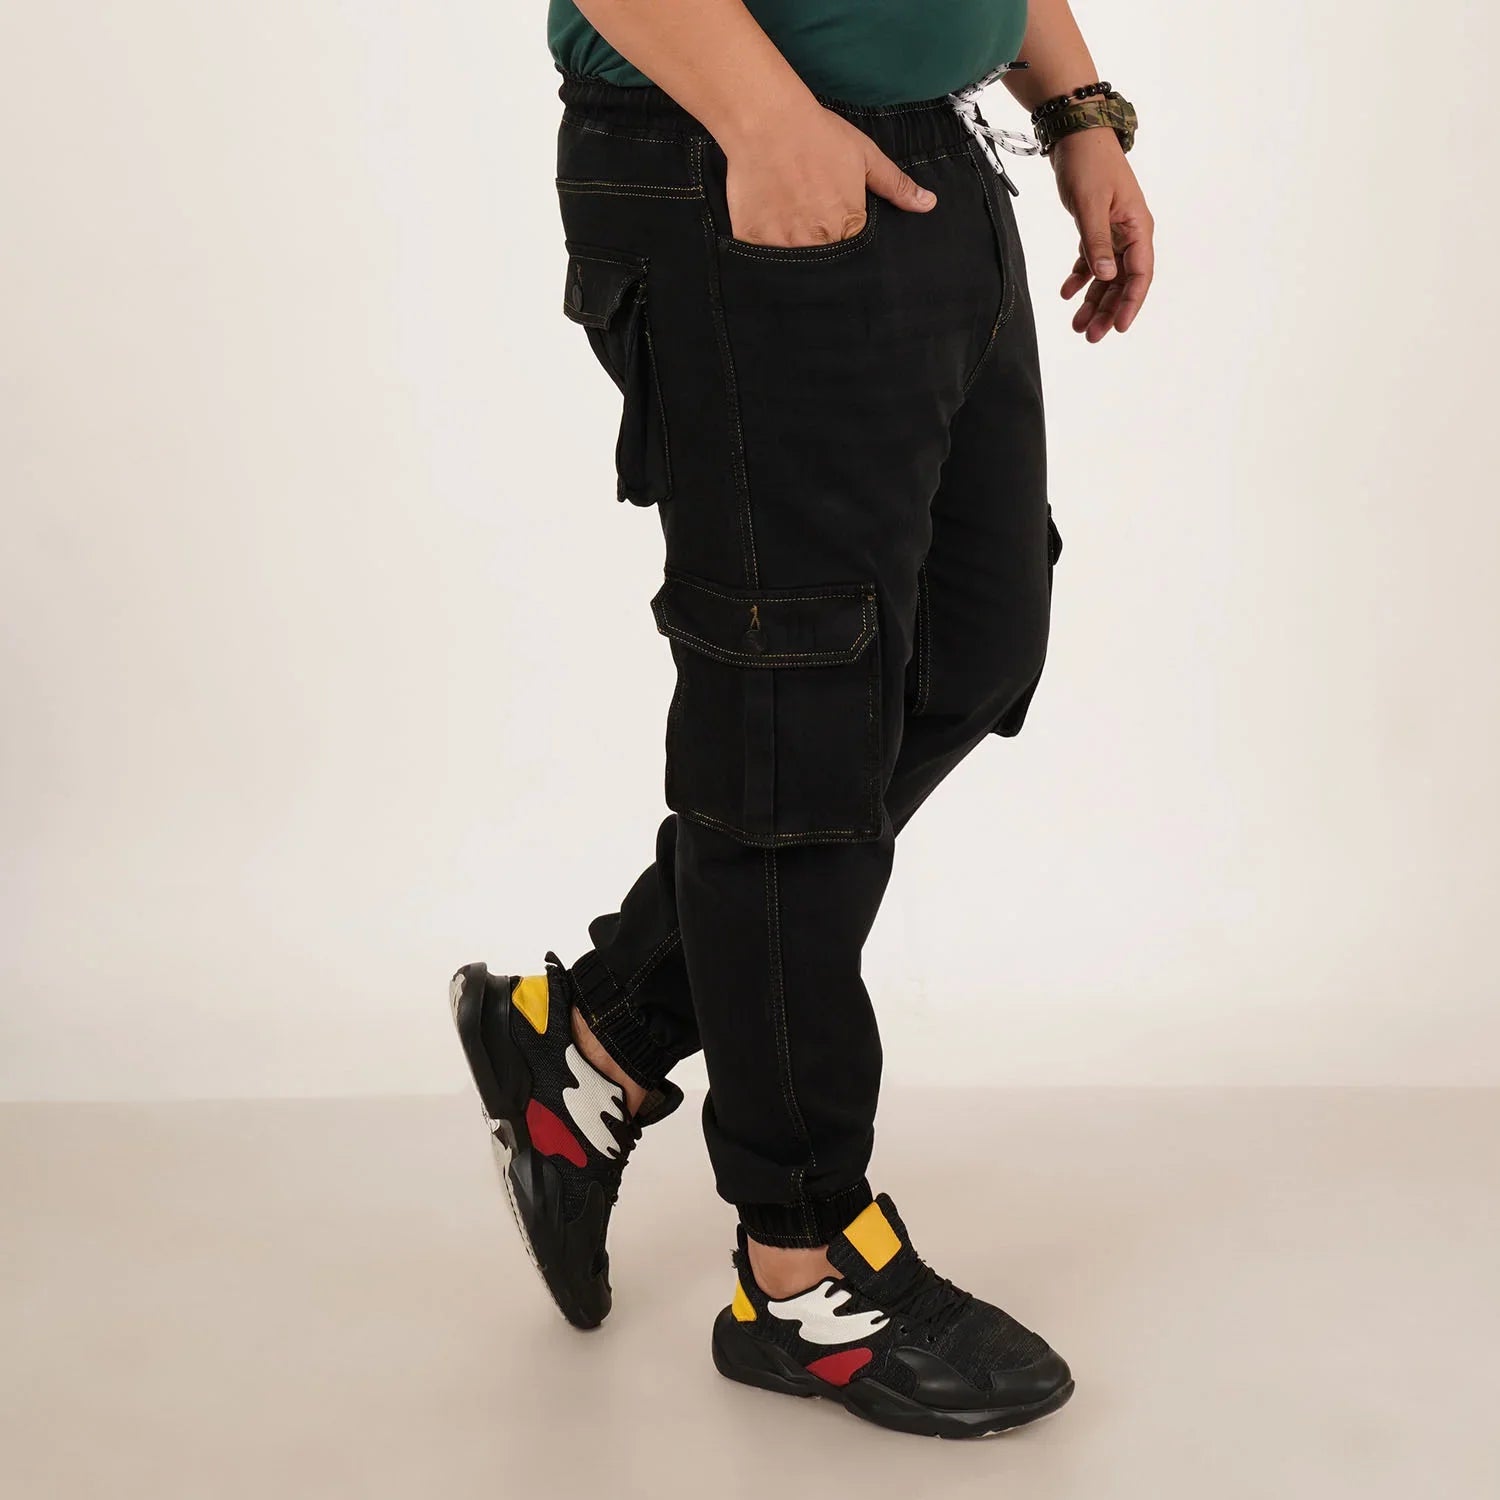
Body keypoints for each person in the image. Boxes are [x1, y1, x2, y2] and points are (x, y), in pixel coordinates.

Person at [451, 0, 1154, 1438]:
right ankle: (803, 1264)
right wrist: (768, 124)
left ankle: (596, 1037)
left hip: (936, 155)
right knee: (797, 712)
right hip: (734, 153)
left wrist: (1075, 106)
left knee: (969, 647)